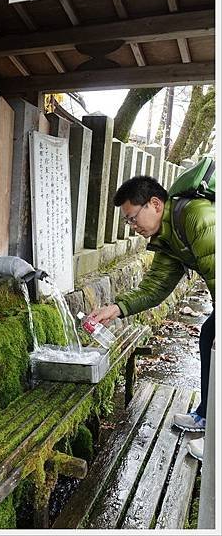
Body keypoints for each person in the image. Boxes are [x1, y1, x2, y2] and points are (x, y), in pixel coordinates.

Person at [88, 176, 214, 461]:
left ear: (155, 204)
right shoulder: (170, 236)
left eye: (133, 218)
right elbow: (155, 288)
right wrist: (116, 309)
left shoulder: (197, 217)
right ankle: (207, 415)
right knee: (208, 335)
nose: (133, 228)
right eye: (128, 222)